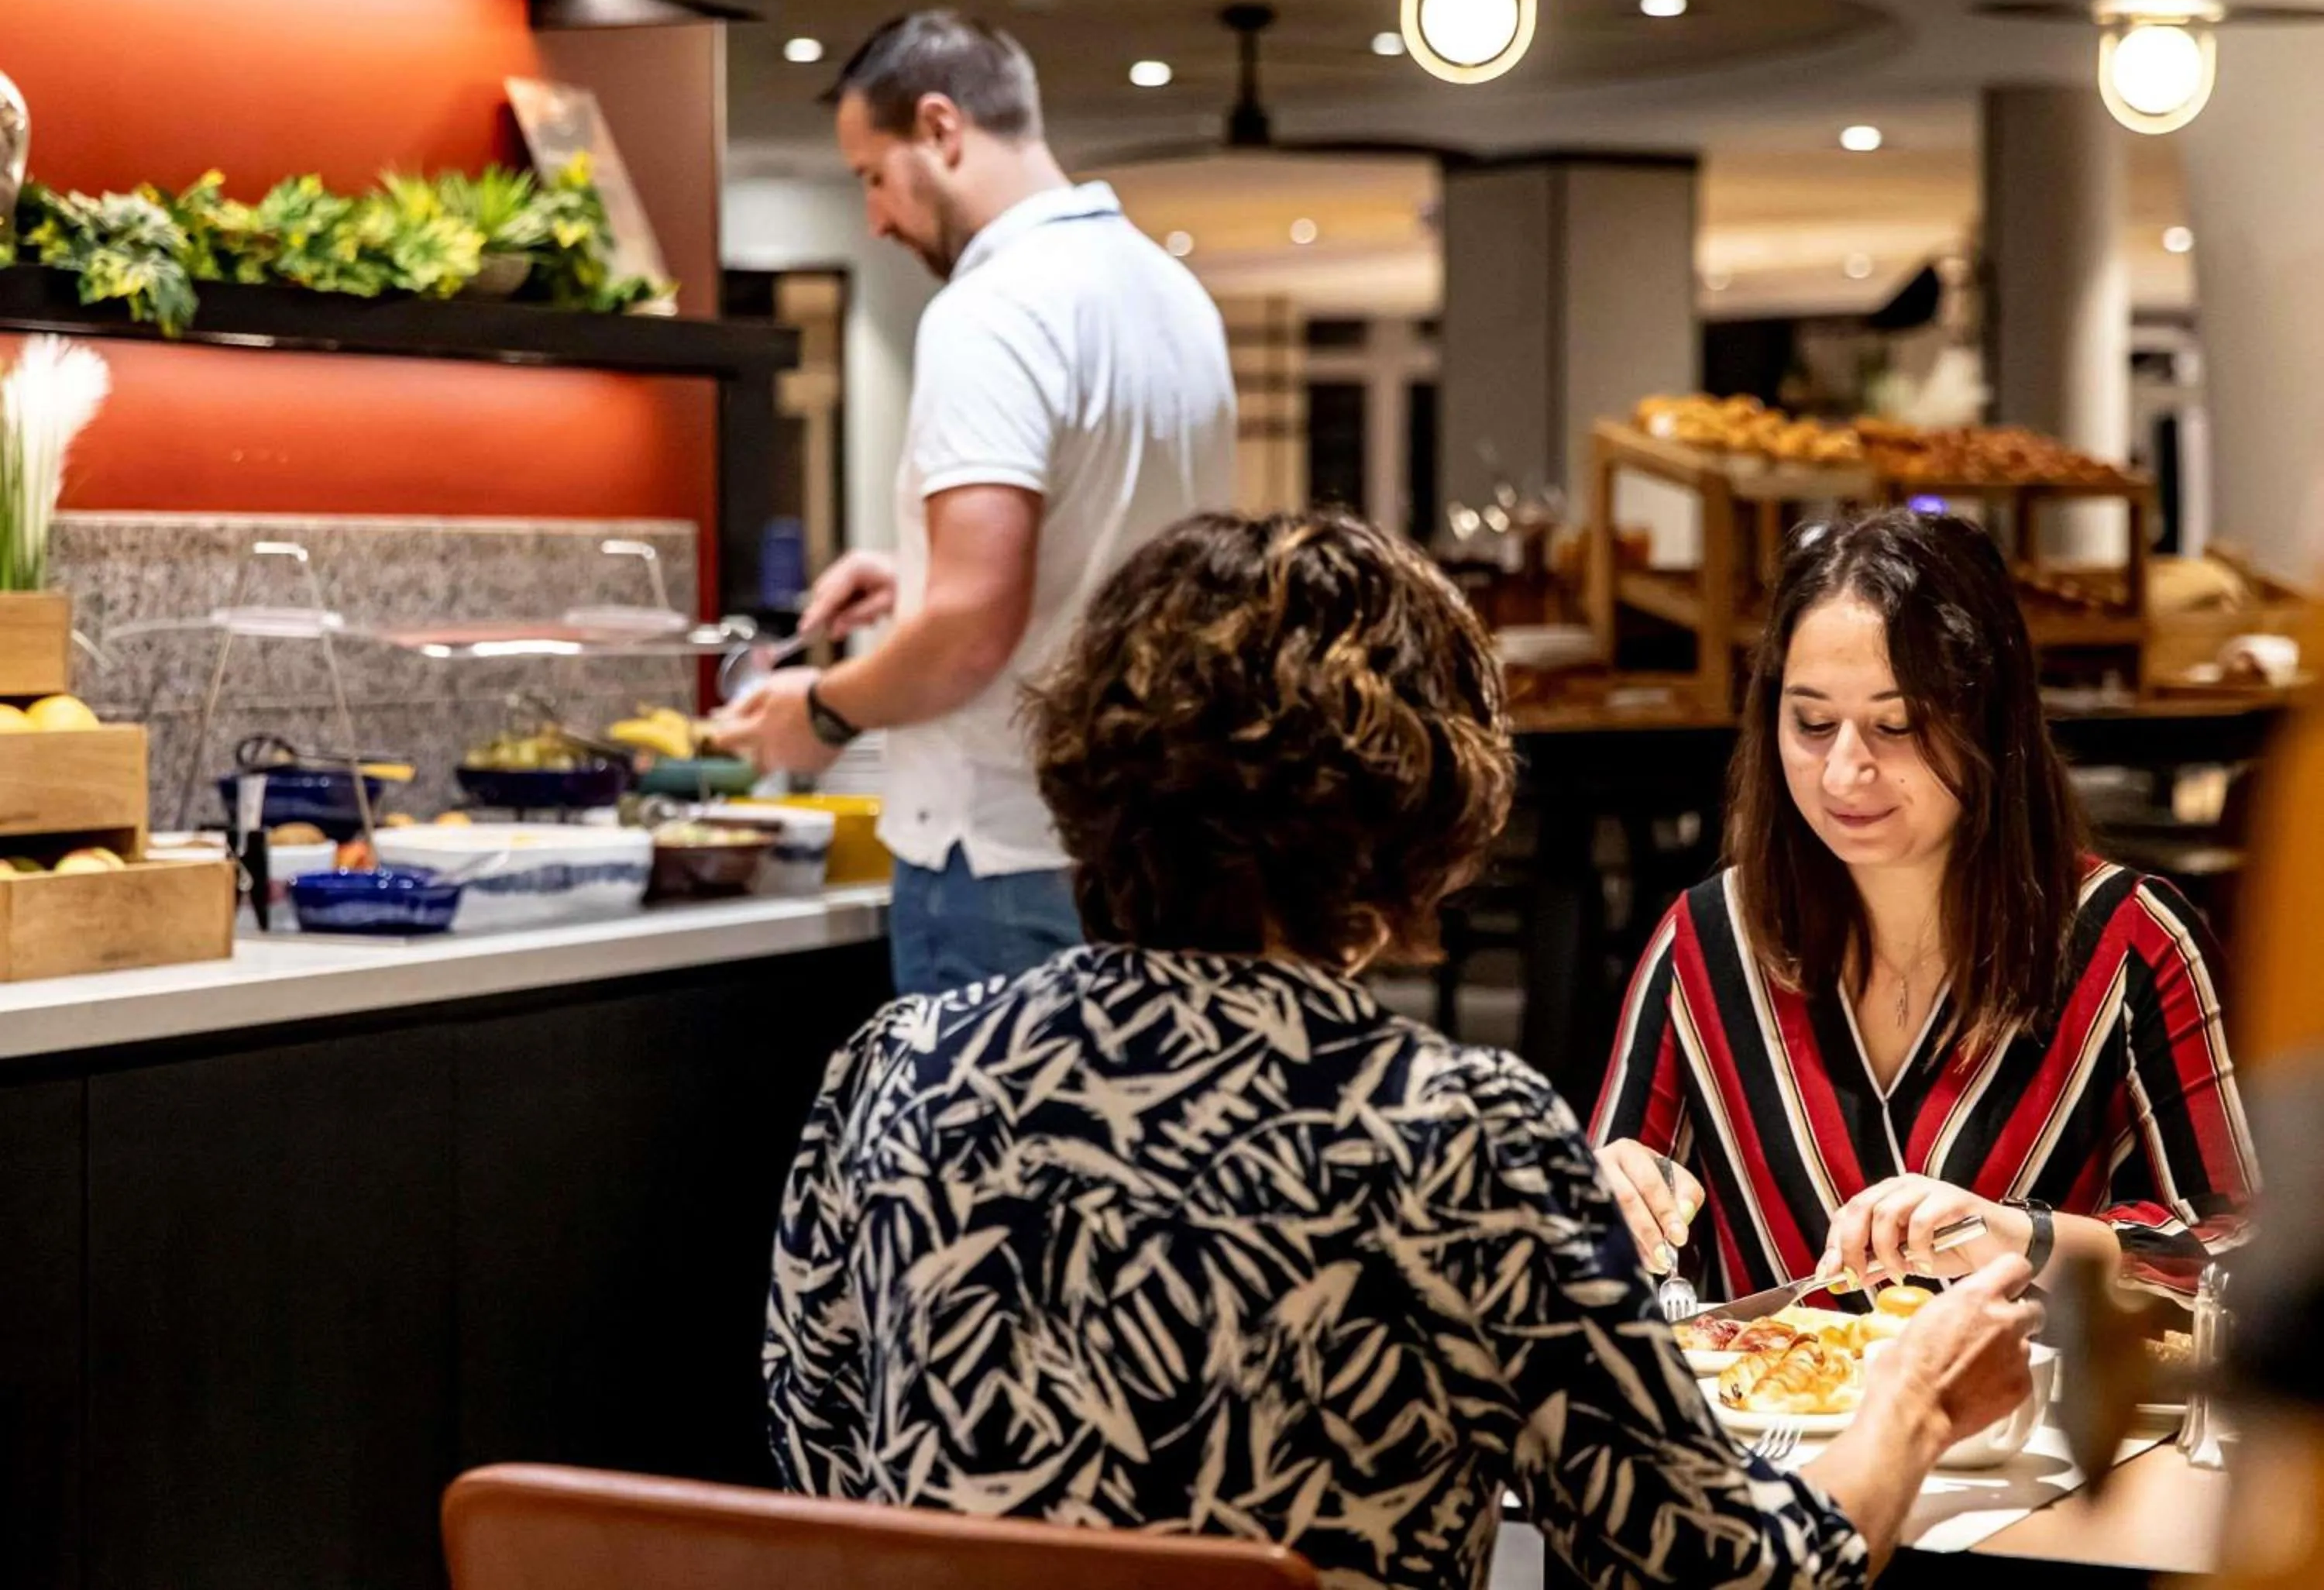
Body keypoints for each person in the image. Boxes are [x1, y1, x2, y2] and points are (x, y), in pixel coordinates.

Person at [765, 511, 2042, 1590]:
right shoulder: (1456, 1134)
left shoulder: (896, 1068)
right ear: (1425, 814)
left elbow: (819, 1458)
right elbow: (1721, 1573)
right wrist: (1912, 1404)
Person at [1593, 508, 2258, 1306]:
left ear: (1989, 720)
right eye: (1810, 723)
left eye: (1896, 724)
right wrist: (1606, 1201)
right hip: (1782, 1422)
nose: (1844, 772)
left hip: (2037, 1428)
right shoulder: (1706, 943)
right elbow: (1597, 1271)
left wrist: (2022, 1236)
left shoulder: (2133, 943)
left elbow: (2245, 1255)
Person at [710, 11, 1235, 996]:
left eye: (872, 175)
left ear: (942, 129)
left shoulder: (992, 311)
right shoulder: (1172, 296)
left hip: (998, 852)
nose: (873, 219)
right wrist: (916, 574)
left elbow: (970, 631)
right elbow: (1117, 561)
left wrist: (818, 710)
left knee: (988, 1153)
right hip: (1150, 846)